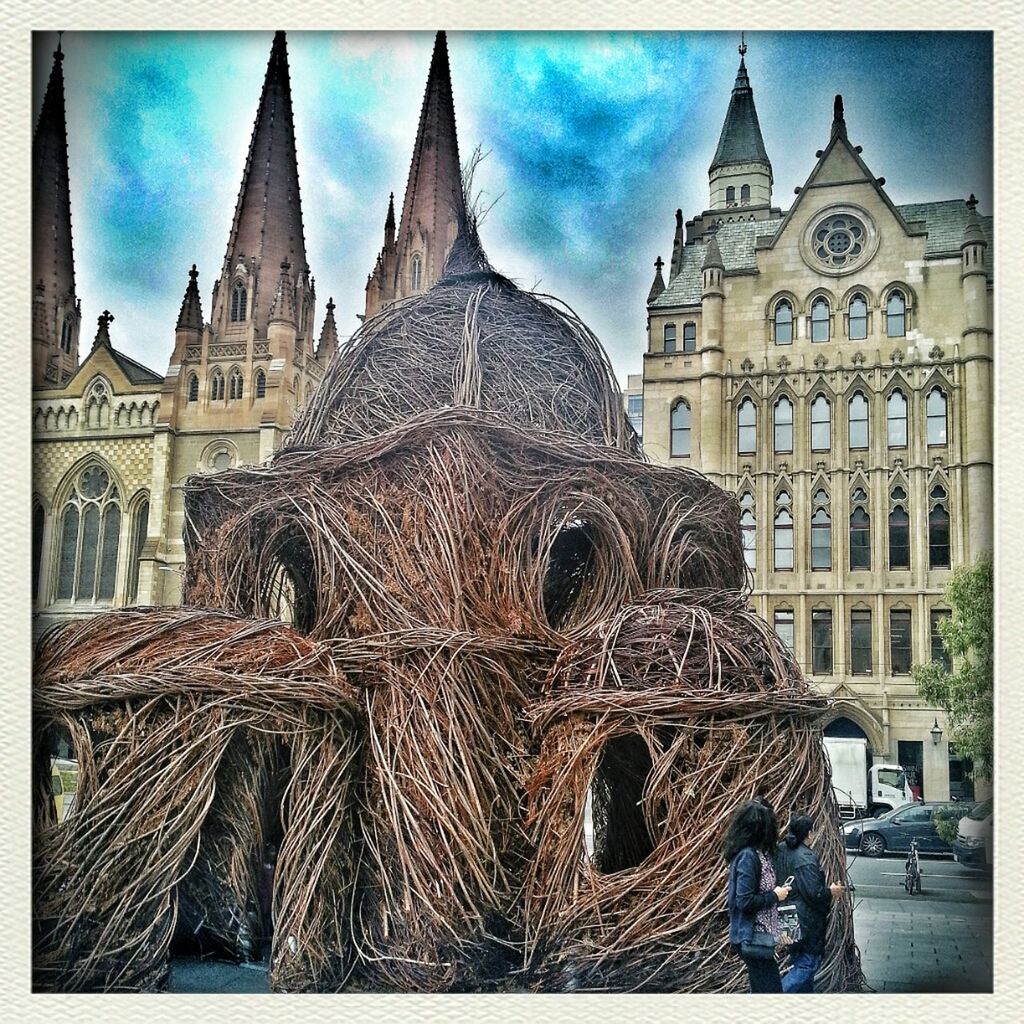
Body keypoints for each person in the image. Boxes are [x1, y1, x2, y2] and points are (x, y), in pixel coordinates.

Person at [724, 799, 792, 993]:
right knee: (770, 990)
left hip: (759, 935)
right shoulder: (748, 857)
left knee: (763, 987)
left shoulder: (758, 854)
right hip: (751, 935)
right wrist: (774, 895)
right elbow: (744, 901)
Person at [774, 812, 845, 993]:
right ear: (809, 833)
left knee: (798, 956)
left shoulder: (781, 849)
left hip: (786, 913)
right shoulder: (806, 859)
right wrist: (831, 891)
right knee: (807, 965)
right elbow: (815, 895)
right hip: (805, 920)